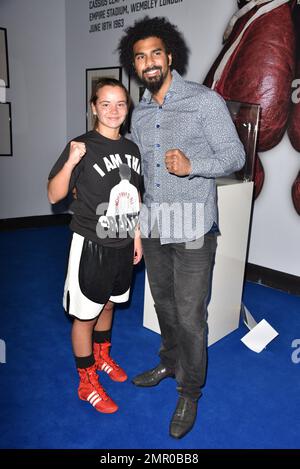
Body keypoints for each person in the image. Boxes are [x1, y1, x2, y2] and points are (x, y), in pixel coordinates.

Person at [118, 16, 245, 437]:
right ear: (134, 66)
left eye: (156, 53)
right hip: (155, 224)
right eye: (140, 57)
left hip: (193, 226)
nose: (149, 62)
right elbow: (140, 176)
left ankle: (189, 391)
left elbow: (235, 156)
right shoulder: (139, 115)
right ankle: (169, 362)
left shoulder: (204, 101)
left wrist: (194, 167)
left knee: (191, 316)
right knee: (164, 305)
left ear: (170, 56)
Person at [47, 78, 142, 414]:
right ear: (93, 107)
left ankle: (102, 357)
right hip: (90, 245)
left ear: (127, 109)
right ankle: (86, 381)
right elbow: (55, 195)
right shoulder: (81, 145)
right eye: (106, 104)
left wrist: (137, 237)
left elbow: (135, 198)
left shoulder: (132, 149)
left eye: (120, 104)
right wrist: (71, 161)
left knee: (109, 306)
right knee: (85, 316)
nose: (113, 111)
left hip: (122, 244)